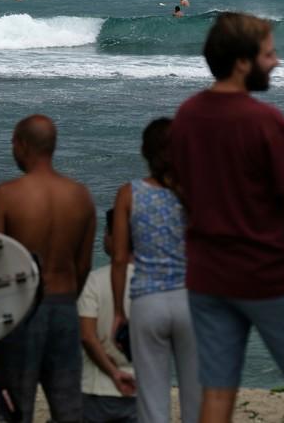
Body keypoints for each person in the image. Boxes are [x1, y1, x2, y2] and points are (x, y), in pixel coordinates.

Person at [171, 12, 284, 423]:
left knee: (217, 391)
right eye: (269, 54)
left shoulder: (186, 116)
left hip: (207, 275)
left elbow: (181, 190)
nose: (277, 62)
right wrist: (283, 244)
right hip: (268, 273)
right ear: (241, 62)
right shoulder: (264, 121)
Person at [0, 114, 96, 423]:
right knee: (67, 409)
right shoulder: (80, 197)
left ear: (23, 145)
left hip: (20, 312)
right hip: (64, 307)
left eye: (12, 143)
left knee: (15, 410)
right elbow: (83, 265)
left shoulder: (7, 195)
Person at [111, 118, 200, 423]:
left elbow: (120, 258)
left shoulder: (129, 193)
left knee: (151, 402)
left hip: (148, 301)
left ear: (144, 152)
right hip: (192, 300)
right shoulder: (196, 194)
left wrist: (117, 312)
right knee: (197, 400)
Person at [78, 209, 137, 423]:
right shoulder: (154, 285)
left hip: (96, 388)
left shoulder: (94, 281)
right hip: (141, 388)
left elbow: (87, 336)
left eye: (106, 232)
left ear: (114, 238)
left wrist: (112, 372)